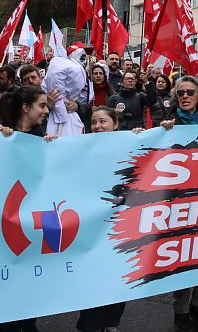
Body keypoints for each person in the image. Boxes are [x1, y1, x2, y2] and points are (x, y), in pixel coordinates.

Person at [0, 85, 55, 332]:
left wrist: (53, 150)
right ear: (25, 107)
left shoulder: (43, 139)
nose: (46, 110)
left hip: (33, 223)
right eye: (42, 105)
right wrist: (1, 140)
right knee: (8, 276)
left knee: (32, 276)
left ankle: (29, 324)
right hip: (4, 220)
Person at [160, 76, 198, 332]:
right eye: (180, 92)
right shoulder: (169, 124)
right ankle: (180, 311)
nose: (184, 96)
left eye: (190, 92)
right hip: (180, 201)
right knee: (184, 256)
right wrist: (158, 132)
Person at [76, 106, 129, 332]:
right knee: (92, 278)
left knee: (119, 276)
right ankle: (90, 325)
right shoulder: (80, 149)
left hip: (122, 226)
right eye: (94, 122)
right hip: (92, 227)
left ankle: (111, 322)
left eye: (103, 121)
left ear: (115, 124)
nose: (97, 126)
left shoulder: (131, 145)